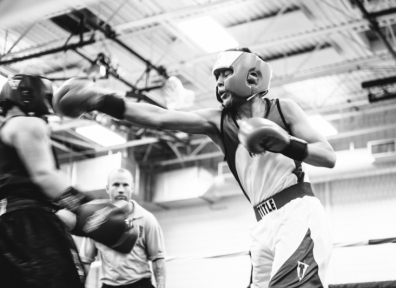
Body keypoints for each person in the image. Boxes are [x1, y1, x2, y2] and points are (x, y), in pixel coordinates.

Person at [53, 47, 336, 288]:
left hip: (298, 212)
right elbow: (160, 117)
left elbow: (328, 156)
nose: (220, 82)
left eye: (226, 74)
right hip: (262, 226)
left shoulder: (283, 109)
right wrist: (102, 100)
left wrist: (286, 143)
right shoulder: (218, 121)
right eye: (217, 77)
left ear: (251, 74)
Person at [0, 74, 137, 288]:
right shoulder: (27, 124)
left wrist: (76, 220)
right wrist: (87, 205)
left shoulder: (4, 132)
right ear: (29, 96)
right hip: (31, 226)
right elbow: (44, 175)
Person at [79, 168, 166, 288]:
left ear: (132, 188)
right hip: (109, 285)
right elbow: (85, 261)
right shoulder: (96, 220)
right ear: (107, 188)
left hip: (140, 284)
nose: (121, 190)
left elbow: (158, 260)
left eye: (125, 185)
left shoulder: (146, 219)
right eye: (116, 185)